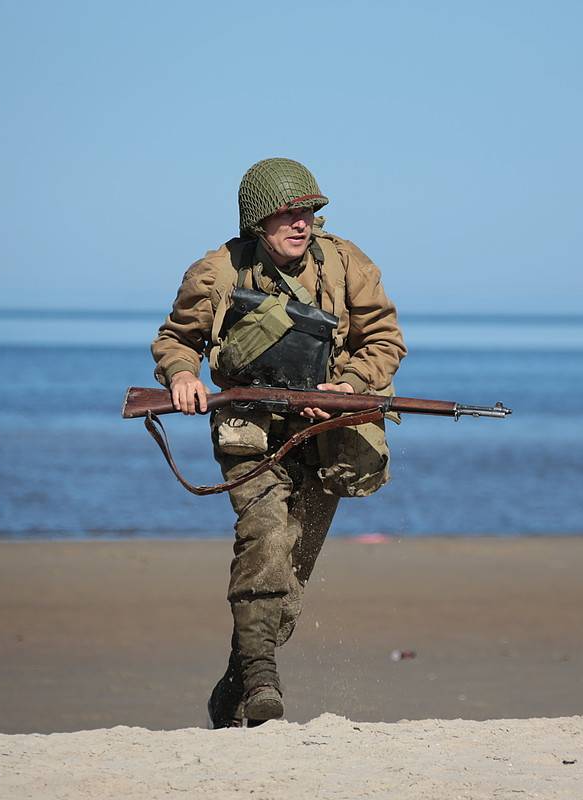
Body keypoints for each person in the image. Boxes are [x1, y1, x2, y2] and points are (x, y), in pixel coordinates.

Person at [151, 158, 406, 727]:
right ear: (255, 222)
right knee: (262, 542)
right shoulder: (217, 273)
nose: (301, 224)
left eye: (309, 212)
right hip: (252, 433)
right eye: (287, 214)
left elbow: (386, 340)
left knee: (290, 579)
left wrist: (350, 386)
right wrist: (181, 376)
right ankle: (264, 685)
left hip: (327, 435)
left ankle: (235, 685)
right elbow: (176, 339)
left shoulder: (346, 264)